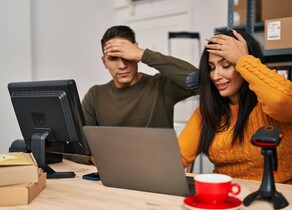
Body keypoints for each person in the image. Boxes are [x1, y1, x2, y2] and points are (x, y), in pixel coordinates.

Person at [178, 29, 292, 186]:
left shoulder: (272, 105)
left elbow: (281, 99)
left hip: (281, 198)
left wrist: (243, 60)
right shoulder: (207, 111)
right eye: (212, 67)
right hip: (229, 198)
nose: (215, 76)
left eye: (226, 65)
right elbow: (178, 157)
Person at [71, 25, 198, 165]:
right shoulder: (95, 95)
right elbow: (77, 145)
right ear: (104, 62)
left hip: (158, 170)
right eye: (113, 58)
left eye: (126, 55)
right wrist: (90, 159)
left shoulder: (160, 85)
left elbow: (198, 80)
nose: (122, 65)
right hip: (114, 175)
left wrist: (144, 54)